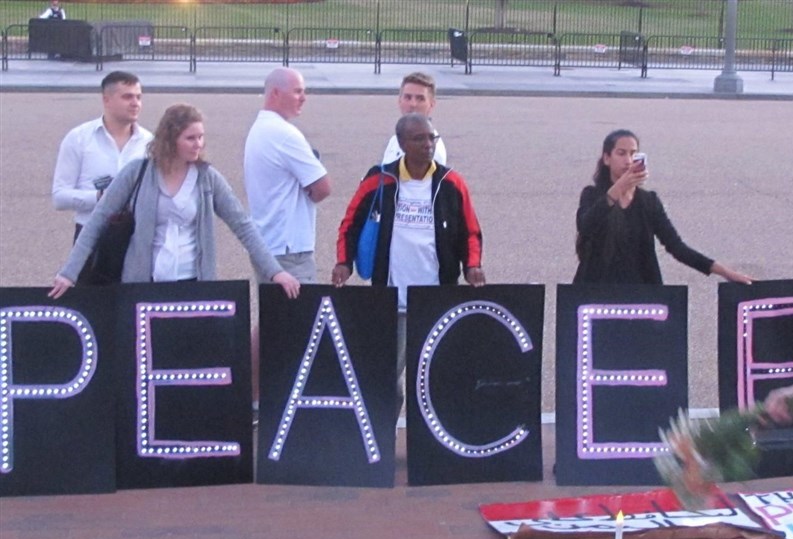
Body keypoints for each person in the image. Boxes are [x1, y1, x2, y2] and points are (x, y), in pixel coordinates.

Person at [48, 103, 300, 300]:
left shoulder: (207, 177)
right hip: (144, 282)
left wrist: (275, 271)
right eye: (190, 138)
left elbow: (243, 225)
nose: (198, 145)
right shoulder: (137, 172)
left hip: (193, 280)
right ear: (171, 139)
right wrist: (69, 273)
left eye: (201, 137)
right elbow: (97, 221)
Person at [332, 113, 485, 420]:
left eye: (432, 138)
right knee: (385, 373)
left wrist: (472, 266)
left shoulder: (451, 182)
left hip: (435, 299)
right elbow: (350, 223)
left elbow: (471, 229)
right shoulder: (380, 179)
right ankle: (382, 435)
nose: (428, 145)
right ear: (402, 143)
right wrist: (343, 262)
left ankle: (428, 439)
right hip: (391, 297)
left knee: (433, 375)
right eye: (419, 139)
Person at [573, 129, 753, 285]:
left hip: (640, 288)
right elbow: (586, 227)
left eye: (633, 154)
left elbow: (676, 247)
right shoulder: (592, 195)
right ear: (606, 158)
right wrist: (618, 188)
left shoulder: (648, 201)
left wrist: (726, 272)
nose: (628, 161)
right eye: (621, 153)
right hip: (596, 287)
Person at [52, 71, 153, 284]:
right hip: (91, 238)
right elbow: (59, 197)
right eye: (127, 97)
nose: (135, 103)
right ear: (106, 100)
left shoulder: (149, 143)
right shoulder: (78, 139)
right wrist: (101, 198)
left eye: (138, 96)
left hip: (135, 238)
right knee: (92, 307)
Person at [243, 67, 331, 284]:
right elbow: (323, 188)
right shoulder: (285, 134)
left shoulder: (259, 129)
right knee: (300, 316)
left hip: (267, 244)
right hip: (289, 249)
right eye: (297, 92)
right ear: (275, 93)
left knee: (275, 316)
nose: (303, 98)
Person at [382, 71, 447, 166]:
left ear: (432, 104)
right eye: (408, 97)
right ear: (399, 101)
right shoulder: (394, 140)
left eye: (420, 99)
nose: (413, 104)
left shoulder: (431, 149)